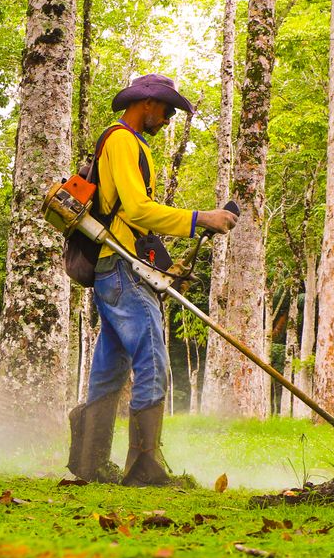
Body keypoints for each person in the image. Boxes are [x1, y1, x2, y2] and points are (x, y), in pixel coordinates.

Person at [68, 74, 238, 486]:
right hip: (123, 270)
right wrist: (201, 219)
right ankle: (144, 468)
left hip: (115, 267)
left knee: (109, 369)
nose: (167, 118)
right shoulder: (123, 140)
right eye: (166, 109)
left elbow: (132, 216)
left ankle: (90, 464)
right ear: (146, 103)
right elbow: (139, 210)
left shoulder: (129, 144)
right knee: (153, 362)